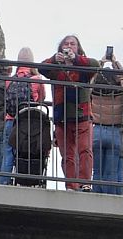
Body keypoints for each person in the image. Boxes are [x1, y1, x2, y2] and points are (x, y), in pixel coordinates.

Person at [40, 35, 99, 191]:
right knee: (67, 155)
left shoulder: (83, 67)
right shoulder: (56, 69)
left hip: (82, 115)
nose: (69, 46)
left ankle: (85, 183)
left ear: (78, 48)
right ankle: (71, 185)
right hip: (62, 117)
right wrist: (54, 59)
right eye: (66, 44)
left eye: (73, 44)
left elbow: (96, 65)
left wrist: (76, 59)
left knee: (85, 150)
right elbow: (41, 67)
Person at [0, 48, 47, 185]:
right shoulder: (37, 79)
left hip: (10, 120)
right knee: (27, 153)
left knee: (8, 153)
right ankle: (29, 181)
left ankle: (4, 182)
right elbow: (41, 100)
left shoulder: (10, 80)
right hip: (28, 124)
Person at [89, 52, 123, 194]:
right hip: (115, 131)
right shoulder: (120, 92)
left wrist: (100, 63)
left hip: (97, 130)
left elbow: (90, 80)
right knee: (111, 173)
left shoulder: (93, 91)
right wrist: (115, 63)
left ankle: (96, 196)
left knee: (97, 171)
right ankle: (111, 198)